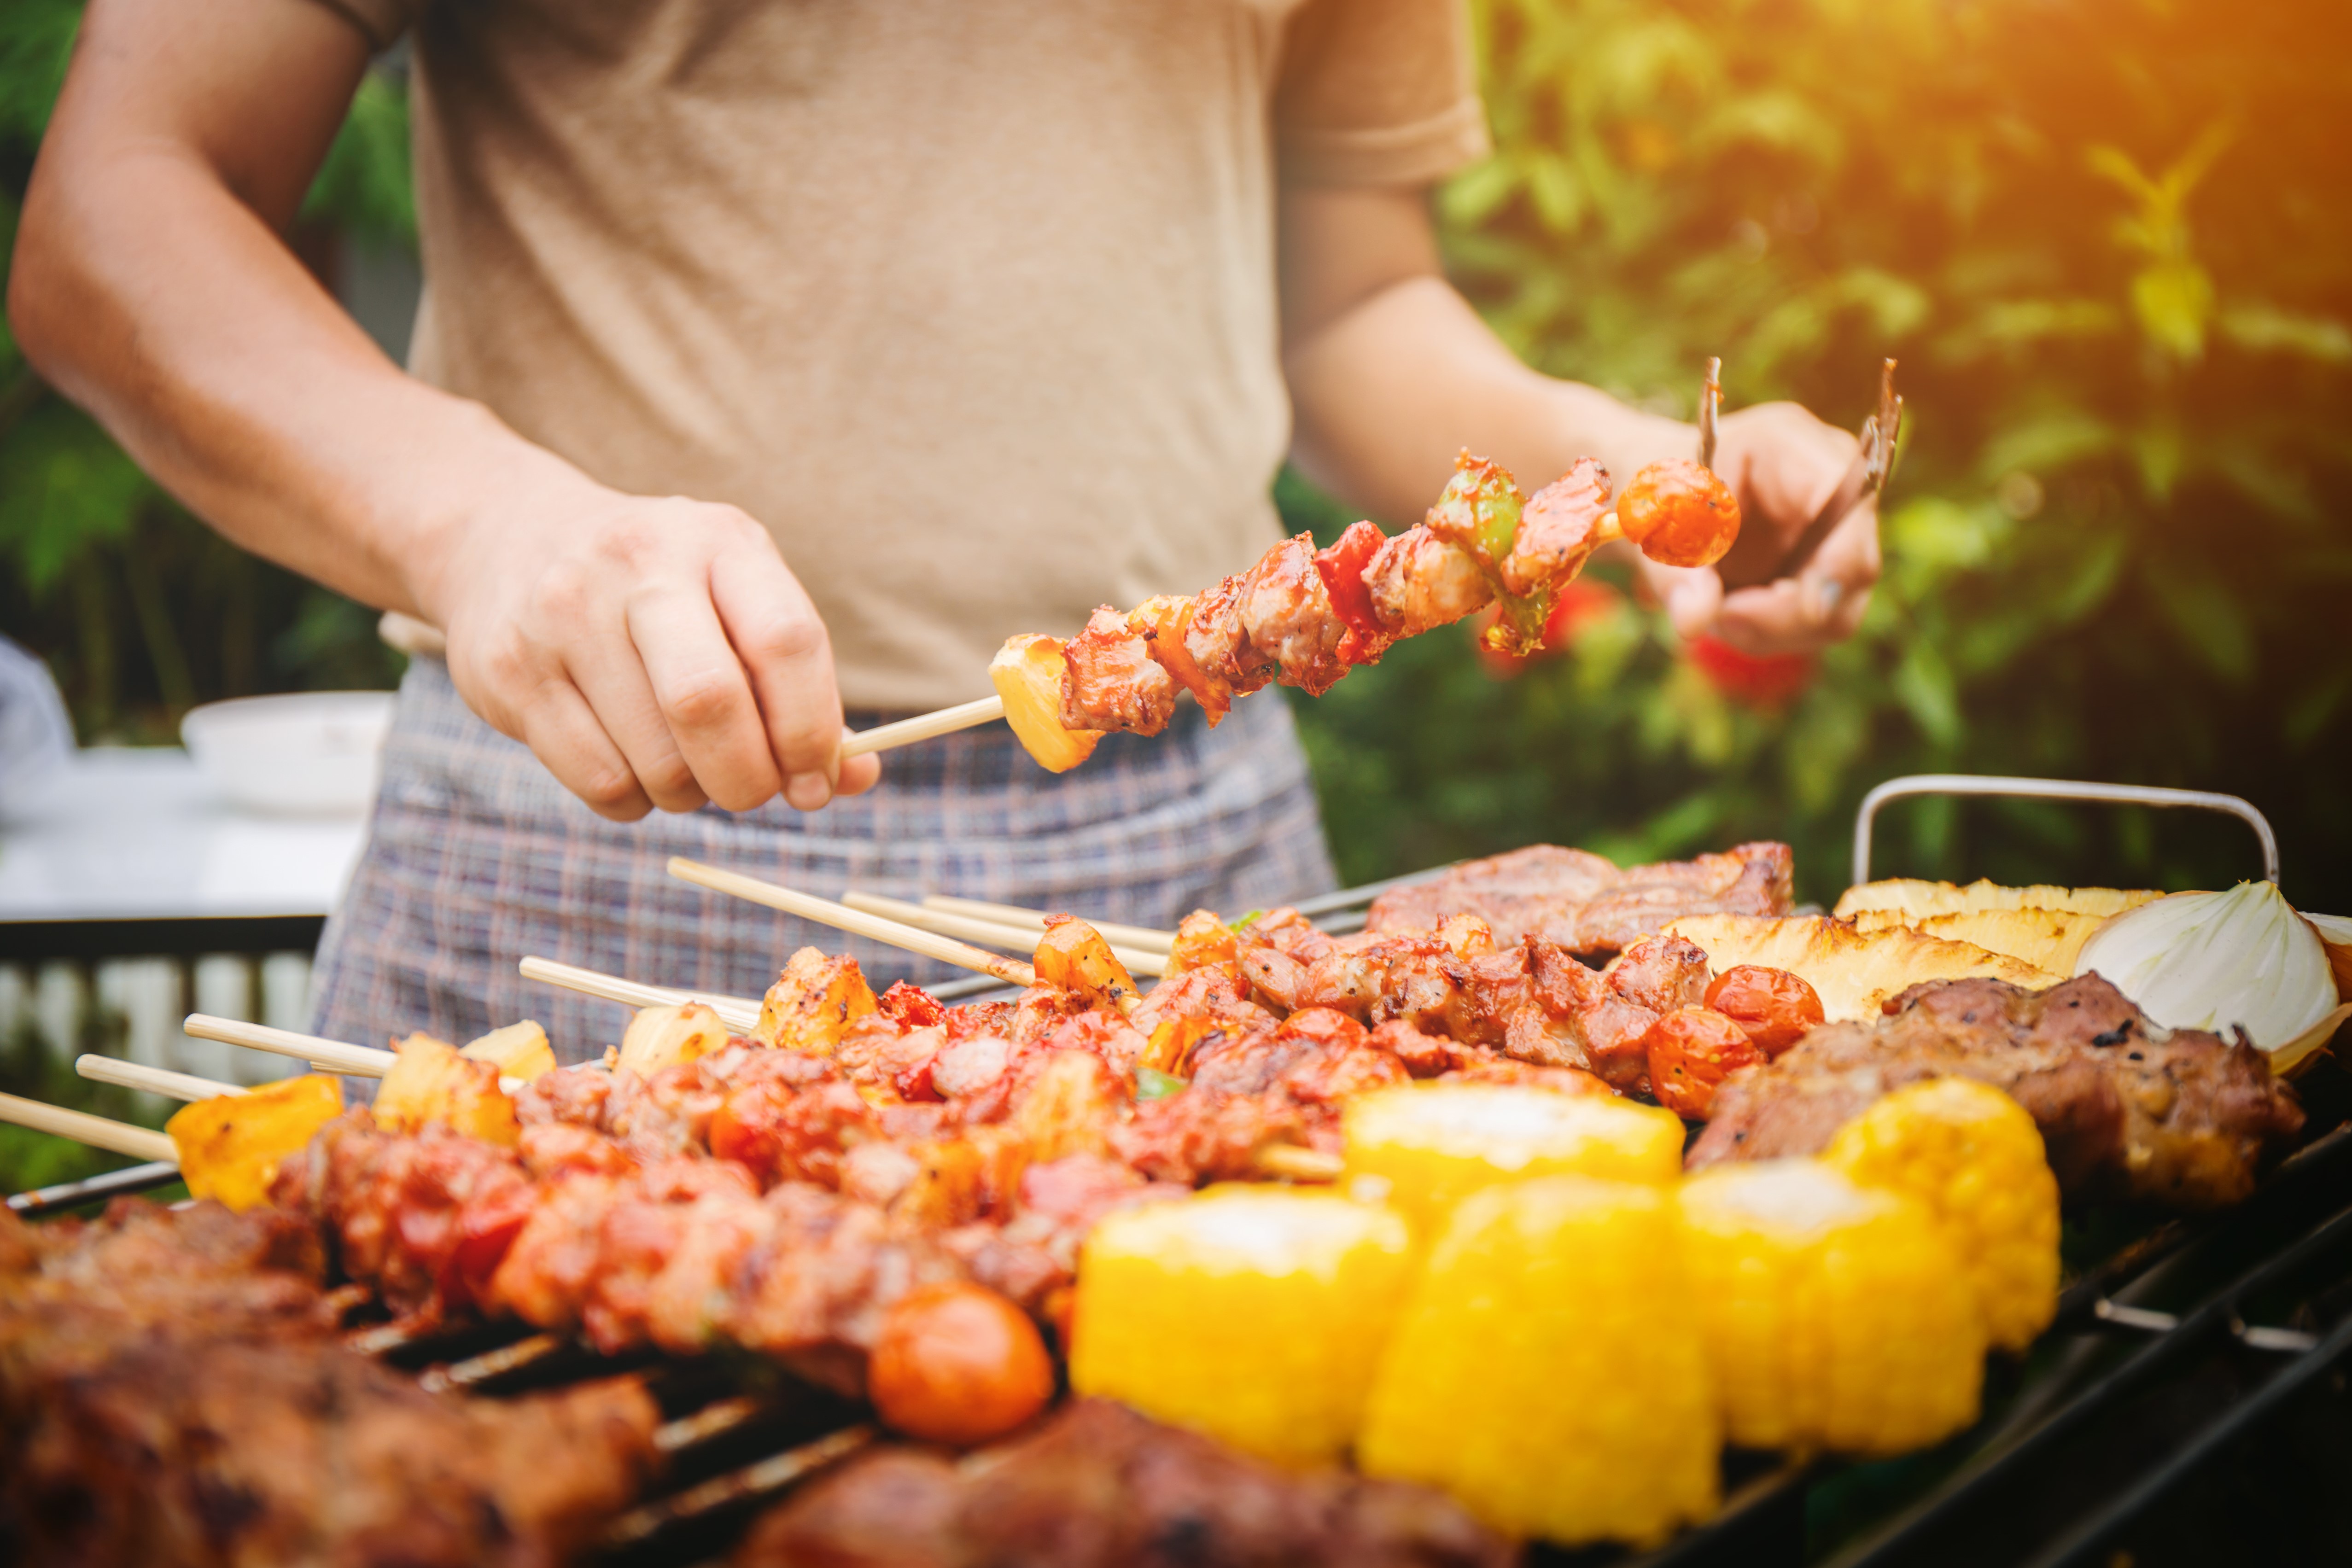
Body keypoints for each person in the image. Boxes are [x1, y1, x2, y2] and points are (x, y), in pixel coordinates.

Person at [9, 0, 1879, 1058]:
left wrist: (1615, 478)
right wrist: (478, 524)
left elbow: (1341, 307)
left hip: (1201, 863)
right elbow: (115, 216)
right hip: (601, 849)